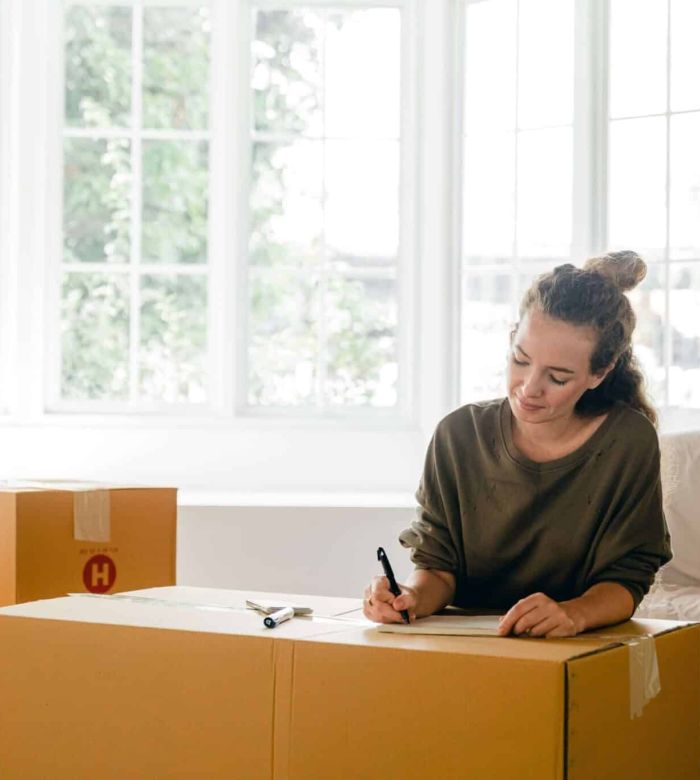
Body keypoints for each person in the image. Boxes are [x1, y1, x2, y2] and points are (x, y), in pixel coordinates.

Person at [363, 251, 672, 638]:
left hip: (574, 646)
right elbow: (438, 569)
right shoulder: (458, 435)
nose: (529, 389)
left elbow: (628, 578)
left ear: (600, 373)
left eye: (557, 378)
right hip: (465, 646)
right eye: (521, 360)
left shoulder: (628, 441)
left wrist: (573, 614)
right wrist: (408, 598)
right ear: (512, 338)